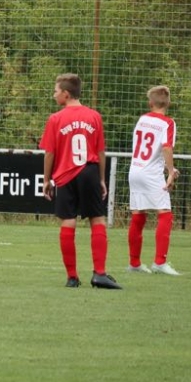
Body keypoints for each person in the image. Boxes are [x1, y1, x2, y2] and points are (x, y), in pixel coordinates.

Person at [40, 73, 120, 289]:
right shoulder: (94, 116)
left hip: (65, 174)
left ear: (66, 94)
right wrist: (101, 179)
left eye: (56, 91)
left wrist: (47, 180)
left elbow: (49, 153)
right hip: (89, 171)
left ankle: (72, 277)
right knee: (97, 219)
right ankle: (99, 274)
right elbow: (100, 151)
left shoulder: (55, 119)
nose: (54, 95)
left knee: (68, 221)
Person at [127, 85, 182, 276]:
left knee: (138, 215)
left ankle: (134, 263)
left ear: (150, 103)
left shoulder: (142, 119)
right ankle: (160, 262)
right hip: (151, 174)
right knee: (165, 214)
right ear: (168, 103)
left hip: (135, 170)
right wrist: (171, 171)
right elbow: (166, 147)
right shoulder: (168, 123)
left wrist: (166, 167)